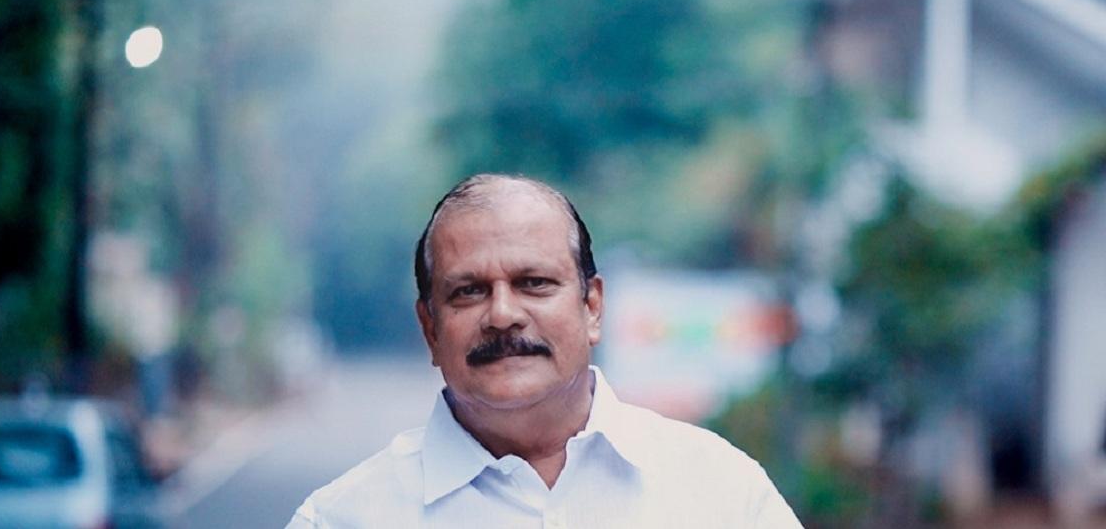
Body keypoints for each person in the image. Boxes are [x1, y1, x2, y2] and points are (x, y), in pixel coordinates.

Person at [285, 174, 802, 528]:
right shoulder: (343, 518)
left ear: (592, 307)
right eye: (468, 291)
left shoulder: (720, 494)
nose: (502, 314)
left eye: (533, 282)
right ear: (430, 329)